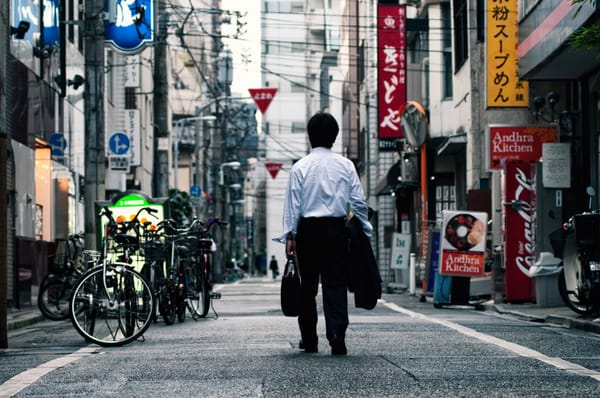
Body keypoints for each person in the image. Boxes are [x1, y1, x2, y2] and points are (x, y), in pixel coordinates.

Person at [282, 111, 373, 356]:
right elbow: (358, 201)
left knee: (308, 287)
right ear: (334, 137)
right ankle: (336, 336)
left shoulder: (299, 167)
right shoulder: (345, 165)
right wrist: (365, 229)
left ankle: (309, 340)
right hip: (336, 230)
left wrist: (290, 236)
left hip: (307, 231)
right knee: (335, 285)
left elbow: (293, 205)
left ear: (310, 137)